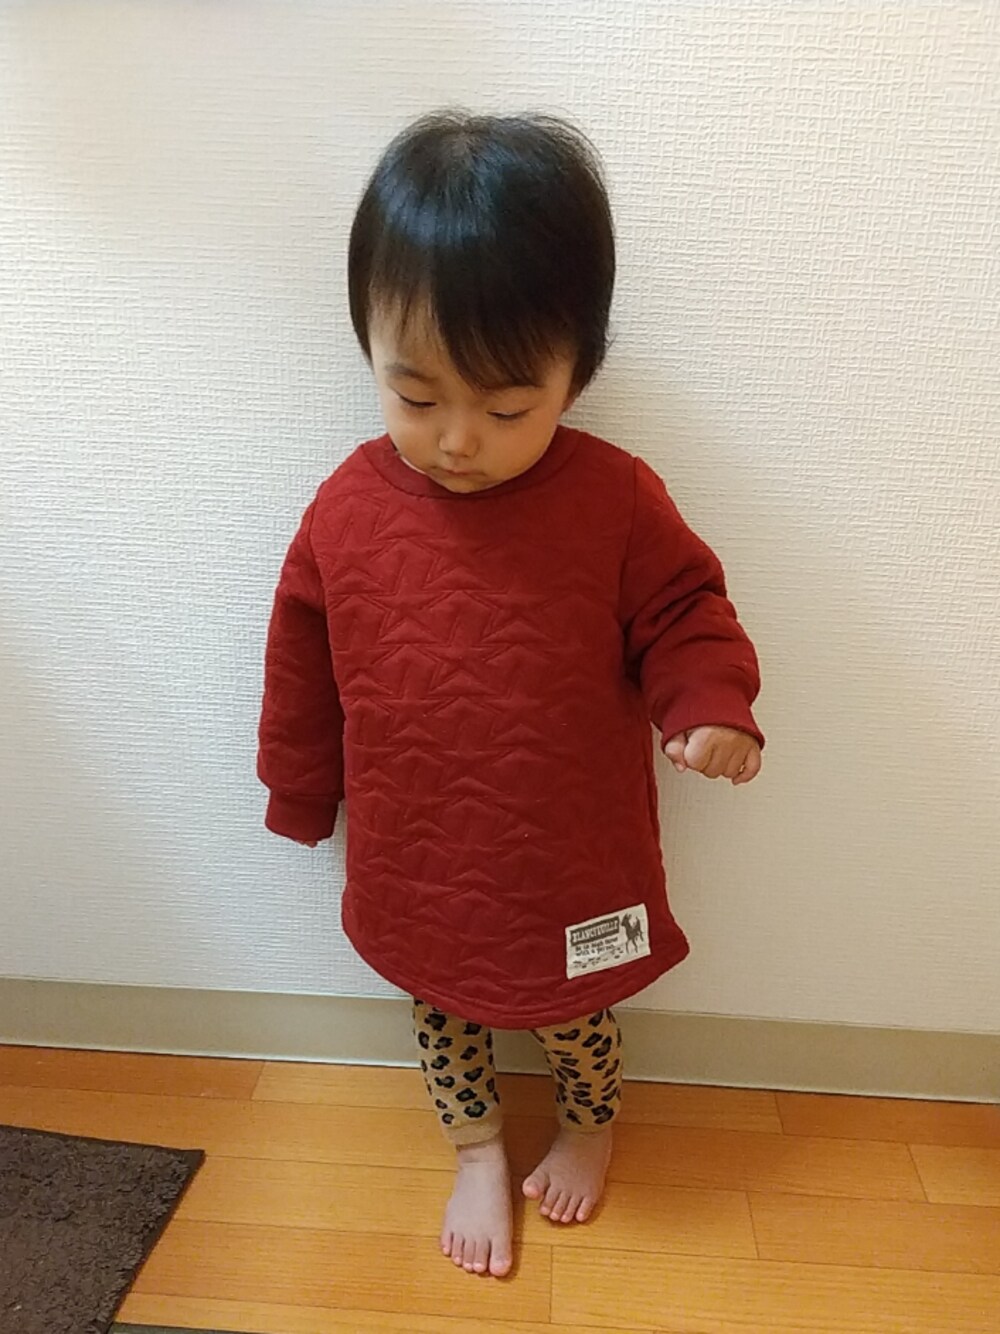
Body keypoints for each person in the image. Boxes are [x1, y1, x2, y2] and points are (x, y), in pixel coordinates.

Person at [257, 108, 764, 1280]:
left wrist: (709, 704)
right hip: (419, 853)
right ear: (368, 346)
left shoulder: (615, 501)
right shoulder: (343, 511)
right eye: (414, 396)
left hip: (571, 856)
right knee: (441, 1015)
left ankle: (589, 1125)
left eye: (502, 408)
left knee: (581, 1017)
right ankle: (476, 1147)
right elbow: (299, 665)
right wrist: (299, 793)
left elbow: (686, 608)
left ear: (575, 370)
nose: (456, 441)